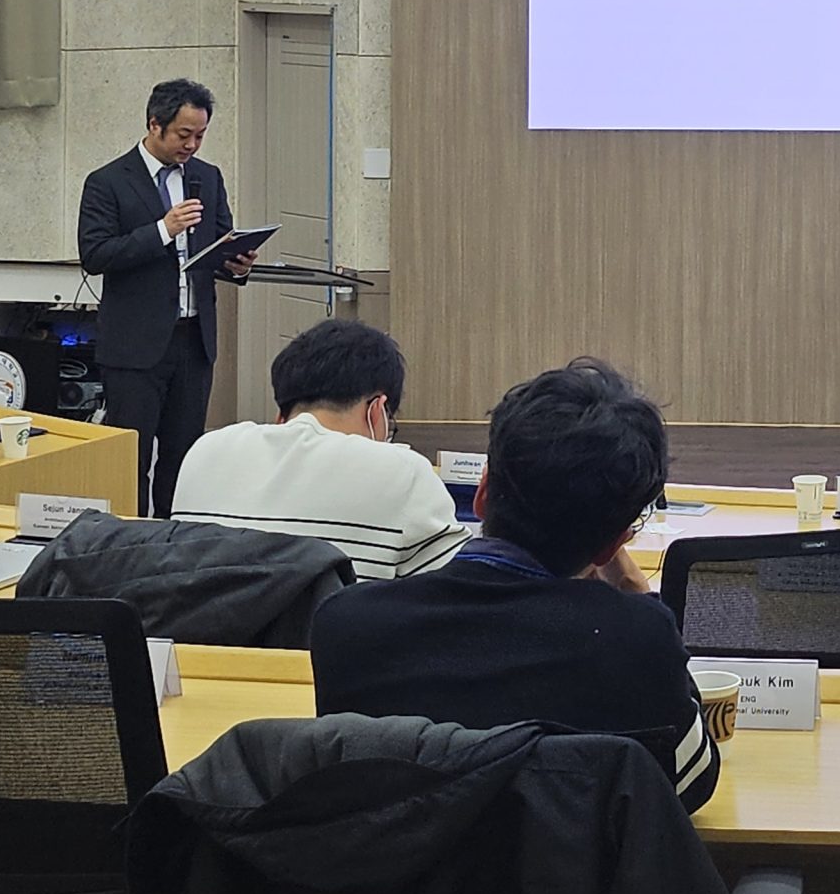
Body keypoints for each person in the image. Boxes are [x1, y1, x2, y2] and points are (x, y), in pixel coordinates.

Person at [309, 359, 719, 808]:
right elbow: (690, 783)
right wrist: (639, 596)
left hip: (394, 857)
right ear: (612, 545)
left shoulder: (347, 626)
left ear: (482, 494)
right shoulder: (636, 640)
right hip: (567, 858)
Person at [78, 78, 256, 516]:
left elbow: (217, 243)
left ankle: (172, 536)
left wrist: (236, 264)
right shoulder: (107, 182)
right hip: (135, 347)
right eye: (183, 134)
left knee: (184, 458)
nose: (192, 145)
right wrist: (163, 230)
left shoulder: (207, 177)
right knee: (131, 459)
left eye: (200, 135)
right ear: (154, 124)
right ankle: (131, 539)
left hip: (193, 341)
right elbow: (95, 254)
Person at [171, 319, 463, 581]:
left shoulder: (204, 452)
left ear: (281, 416)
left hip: (207, 627)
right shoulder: (402, 470)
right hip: (335, 626)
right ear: (377, 410)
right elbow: (455, 592)